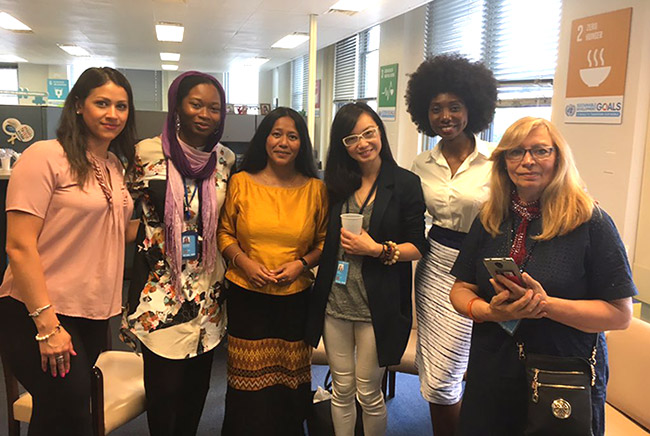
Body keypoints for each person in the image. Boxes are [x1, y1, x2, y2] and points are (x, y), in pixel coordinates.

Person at [449, 117, 636, 435]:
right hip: (493, 368)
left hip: (561, 371)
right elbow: (460, 289)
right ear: (504, 162)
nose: (527, 161)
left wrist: (545, 306)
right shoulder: (490, 217)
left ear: (558, 158)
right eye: (516, 152)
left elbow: (620, 315)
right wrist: (489, 311)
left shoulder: (590, 221)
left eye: (540, 151)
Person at [0, 67, 137, 435]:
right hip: (36, 309)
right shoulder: (45, 156)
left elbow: (118, 231)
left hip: (89, 310)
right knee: (70, 407)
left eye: (121, 106)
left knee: (60, 410)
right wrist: (46, 326)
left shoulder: (113, 165)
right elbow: (19, 245)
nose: (112, 114)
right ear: (78, 105)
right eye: (102, 103)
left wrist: (172, 223)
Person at [122, 71, 235, 436]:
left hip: (208, 295)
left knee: (196, 391)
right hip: (161, 292)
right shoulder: (144, 153)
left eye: (214, 108)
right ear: (177, 107)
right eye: (196, 104)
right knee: (164, 393)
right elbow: (118, 214)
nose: (205, 114)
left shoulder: (225, 159)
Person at [305, 102, 428, 436]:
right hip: (335, 301)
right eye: (351, 138)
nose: (362, 143)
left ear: (379, 133)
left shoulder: (404, 183)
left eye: (368, 133)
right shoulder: (335, 184)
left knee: (369, 392)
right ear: (342, 145)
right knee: (341, 389)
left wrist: (377, 250)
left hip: (377, 305)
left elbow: (418, 246)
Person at [217, 107, 328, 435]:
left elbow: (324, 242)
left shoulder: (315, 189)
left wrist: (301, 264)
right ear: (264, 139)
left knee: (289, 379)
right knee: (246, 381)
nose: (283, 142)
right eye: (276, 134)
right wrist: (245, 263)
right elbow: (224, 233)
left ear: (301, 143)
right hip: (247, 295)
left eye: (292, 136)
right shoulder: (240, 182)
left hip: (295, 298)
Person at [404, 53, 497, 436]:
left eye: (454, 107)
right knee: (442, 374)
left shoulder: (496, 160)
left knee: (487, 366)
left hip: (488, 267)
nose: (446, 116)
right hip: (438, 266)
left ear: (471, 108)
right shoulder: (421, 164)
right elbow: (409, 217)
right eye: (436, 108)